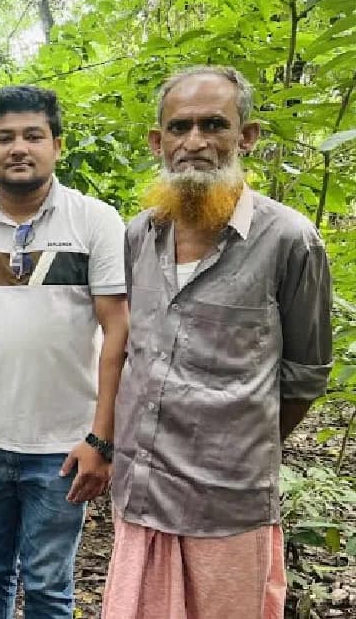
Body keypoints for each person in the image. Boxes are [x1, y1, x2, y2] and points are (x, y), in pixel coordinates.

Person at [102, 66, 333, 619]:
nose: (196, 142)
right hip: (140, 493)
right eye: (180, 127)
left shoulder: (289, 240)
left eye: (214, 125)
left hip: (227, 505)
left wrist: (236, 444)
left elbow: (305, 377)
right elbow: (137, 348)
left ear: (245, 136)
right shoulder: (140, 234)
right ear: (158, 142)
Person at [0, 85, 129, 619]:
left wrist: (101, 437)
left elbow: (118, 330)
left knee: (48, 585)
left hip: (63, 447)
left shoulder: (95, 221)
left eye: (33, 136)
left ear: (57, 146)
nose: (19, 148)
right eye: (4, 138)